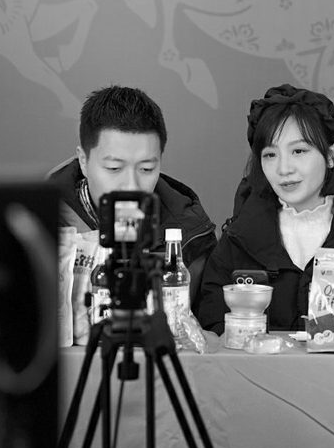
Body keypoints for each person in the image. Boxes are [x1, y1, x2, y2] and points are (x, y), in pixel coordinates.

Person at [197, 84, 334, 334]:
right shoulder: (240, 237)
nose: (284, 169)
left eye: (298, 151)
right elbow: (213, 321)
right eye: (270, 155)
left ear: (331, 155)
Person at [47, 85, 217, 306]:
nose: (131, 186)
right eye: (114, 168)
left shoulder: (191, 237)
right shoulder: (41, 225)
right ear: (83, 161)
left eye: (146, 169)